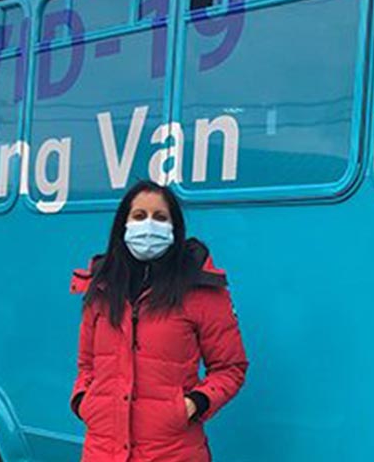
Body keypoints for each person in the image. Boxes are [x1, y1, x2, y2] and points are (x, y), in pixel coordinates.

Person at [70, 180, 248, 462]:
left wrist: (195, 403)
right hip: (103, 451)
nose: (149, 226)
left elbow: (230, 367)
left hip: (174, 453)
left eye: (160, 217)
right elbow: (87, 364)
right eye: (139, 216)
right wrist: (84, 401)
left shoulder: (202, 290)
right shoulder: (101, 288)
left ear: (174, 228)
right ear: (123, 225)